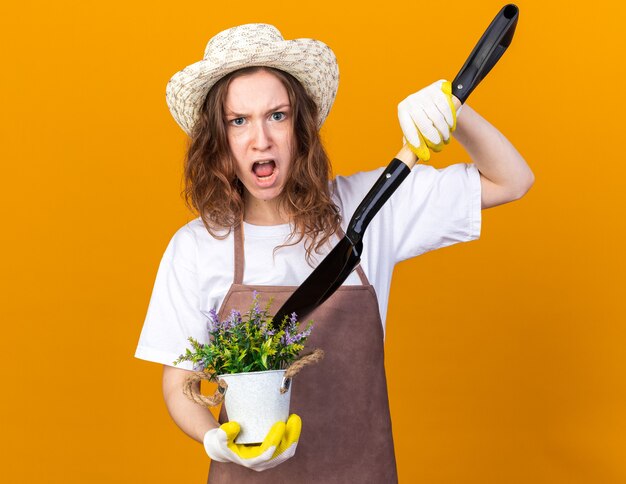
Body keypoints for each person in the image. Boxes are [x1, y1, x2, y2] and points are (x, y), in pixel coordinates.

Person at [135, 23, 534, 483]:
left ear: (301, 127)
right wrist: (214, 440)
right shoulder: (197, 246)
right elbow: (178, 382)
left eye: (277, 115)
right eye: (238, 120)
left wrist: (453, 110)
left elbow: (513, 180)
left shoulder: (373, 207)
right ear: (218, 140)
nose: (260, 139)